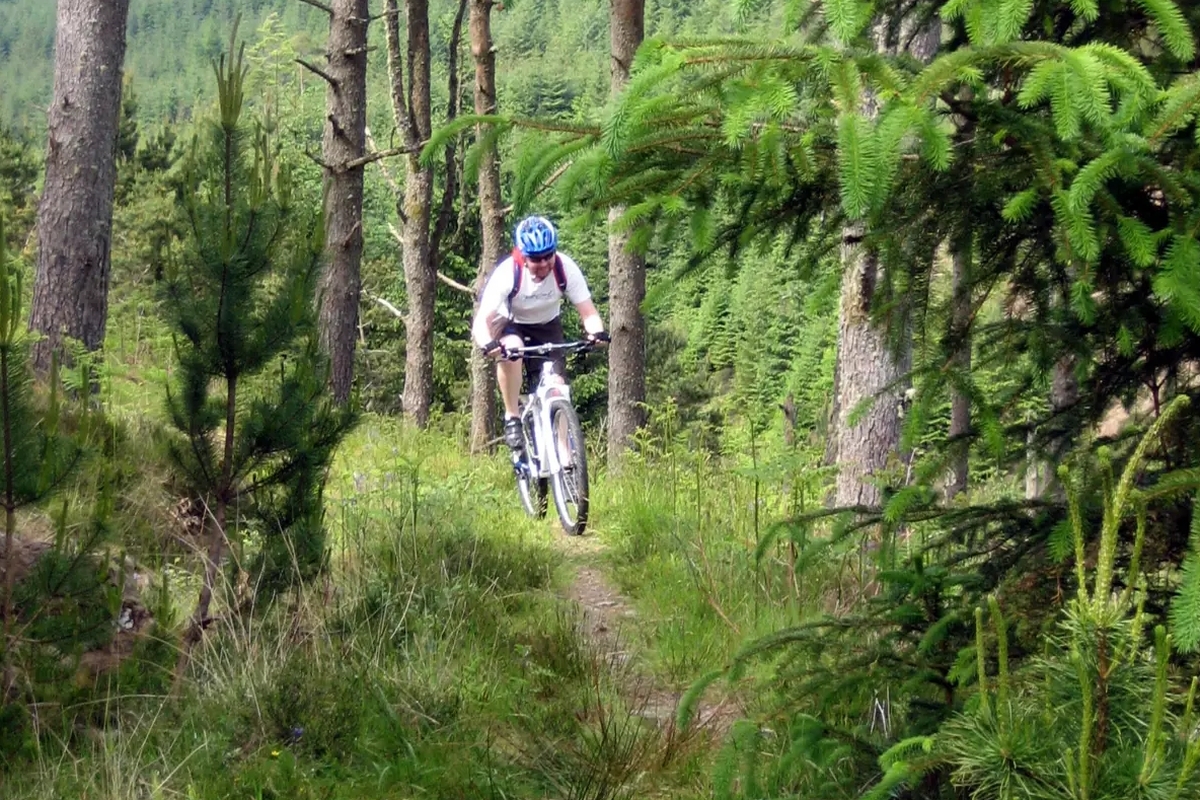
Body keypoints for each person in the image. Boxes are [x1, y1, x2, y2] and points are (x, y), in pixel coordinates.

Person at [471, 215, 608, 449]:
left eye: (548, 256)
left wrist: (596, 333)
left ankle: (565, 457)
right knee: (513, 349)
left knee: (558, 386)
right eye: (536, 259)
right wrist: (489, 344)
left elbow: (588, 313)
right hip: (510, 322)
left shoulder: (566, 269)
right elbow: (481, 321)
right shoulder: (507, 273)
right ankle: (512, 416)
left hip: (547, 326)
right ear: (523, 257)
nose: (544, 264)